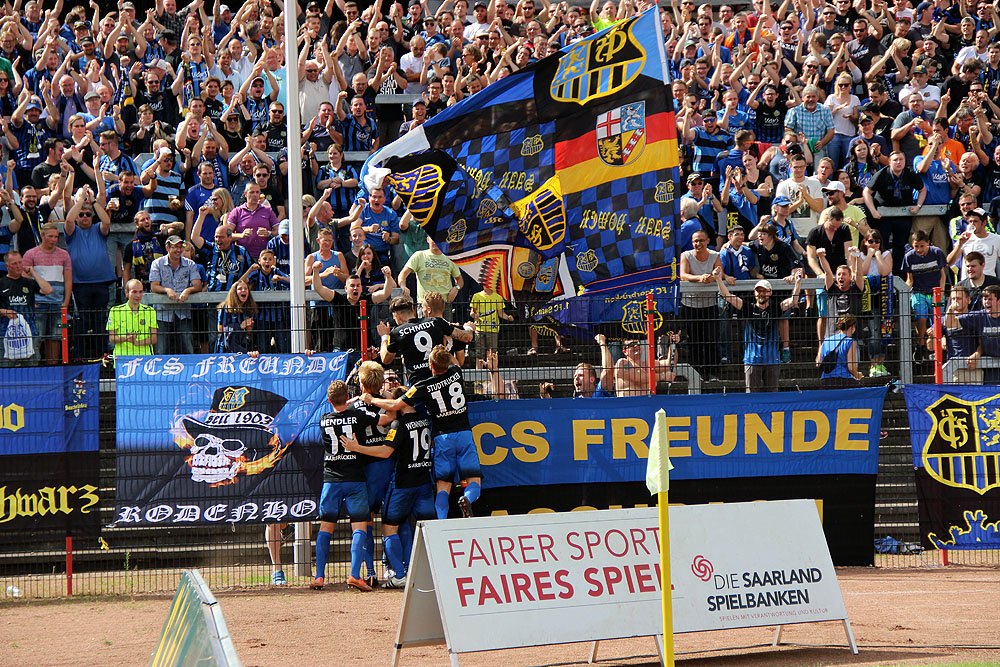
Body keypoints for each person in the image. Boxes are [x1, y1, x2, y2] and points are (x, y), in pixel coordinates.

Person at [362, 345, 482, 520]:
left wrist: (371, 399)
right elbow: (455, 361)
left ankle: (440, 524)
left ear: (430, 365)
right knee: (474, 482)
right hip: (464, 434)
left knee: (443, 487)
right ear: (447, 361)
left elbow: (395, 405)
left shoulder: (423, 386)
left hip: (442, 438)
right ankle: (467, 499)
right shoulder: (456, 372)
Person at [341, 384, 433, 589]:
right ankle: (420, 571)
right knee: (422, 526)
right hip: (424, 483)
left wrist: (357, 447)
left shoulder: (399, 424)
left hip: (402, 482)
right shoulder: (425, 420)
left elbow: (385, 452)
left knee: (389, 528)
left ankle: (398, 574)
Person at [311, 379, 380, 592]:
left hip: (331, 480)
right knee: (359, 527)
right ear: (348, 397)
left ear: (329, 400)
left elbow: (339, 413)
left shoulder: (323, 419)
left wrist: (344, 404)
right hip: (355, 478)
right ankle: (354, 575)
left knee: (326, 526)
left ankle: (319, 576)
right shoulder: (357, 416)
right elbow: (383, 419)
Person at [715, 272, 802, 392]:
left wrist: (798, 283)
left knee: (772, 396)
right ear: (754, 293)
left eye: (765, 291)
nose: (762, 294)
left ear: (770, 293)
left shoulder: (775, 308)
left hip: (772, 360)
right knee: (752, 397)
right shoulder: (748, 307)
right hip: (752, 360)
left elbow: (793, 301)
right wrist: (718, 279)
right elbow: (727, 296)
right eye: (759, 291)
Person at [379, 294, 474, 384]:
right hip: (441, 378)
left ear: (397, 316)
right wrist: (469, 328)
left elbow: (386, 359)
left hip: (419, 382)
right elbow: (466, 337)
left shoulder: (397, 332)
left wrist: (384, 336)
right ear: (414, 310)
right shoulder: (436, 322)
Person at [864, 150, 927, 276]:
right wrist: (873, 211)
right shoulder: (882, 174)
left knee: (900, 245)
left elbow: (922, 190)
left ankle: (899, 275)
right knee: (882, 245)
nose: (898, 162)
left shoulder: (910, 173)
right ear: (889, 162)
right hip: (884, 216)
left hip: (903, 215)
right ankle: (883, 273)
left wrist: (918, 206)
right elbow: (867, 192)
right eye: (895, 160)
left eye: (901, 159)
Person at [310, 266, 396, 352]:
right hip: (341, 349)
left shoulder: (366, 299)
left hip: (364, 348)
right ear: (346, 288)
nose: (355, 288)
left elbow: (386, 293)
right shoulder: (338, 299)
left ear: (361, 288)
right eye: (352, 285)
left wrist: (388, 277)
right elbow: (319, 288)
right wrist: (315, 271)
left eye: (358, 285)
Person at [21, 224, 71, 362]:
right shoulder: (30, 254)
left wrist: (65, 303)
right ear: (42, 236)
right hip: (38, 303)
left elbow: (68, 280)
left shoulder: (64, 255)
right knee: (36, 338)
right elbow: (25, 283)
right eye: (51, 236)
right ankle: (35, 367)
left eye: (56, 237)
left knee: (55, 339)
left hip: (58, 303)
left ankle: (52, 368)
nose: (54, 240)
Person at [678, 229, 722, 381]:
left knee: (712, 341)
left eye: (701, 240)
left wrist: (712, 278)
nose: (698, 244)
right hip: (690, 305)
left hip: (710, 305)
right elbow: (683, 275)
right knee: (694, 341)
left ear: (708, 241)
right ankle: (696, 374)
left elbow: (719, 273)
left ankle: (712, 373)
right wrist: (700, 278)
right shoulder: (686, 255)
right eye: (695, 241)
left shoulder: (715, 255)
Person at [149, 235, 203, 355]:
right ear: (167, 248)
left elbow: (198, 285)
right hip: (162, 313)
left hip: (183, 312)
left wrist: (188, 290)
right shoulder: (157, 263)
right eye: (175, 247)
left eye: (180, 247)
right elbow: (154, 286)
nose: (178, 250)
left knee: (188, 349)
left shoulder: (190, 264)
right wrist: (167, 290)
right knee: (161, 350)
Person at [0, 250, 52, 364]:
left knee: (31, 368)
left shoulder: (29, 283)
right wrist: (4, 311)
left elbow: (48, 290)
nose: (18, 266)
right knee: (7, 368)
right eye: (14, 264)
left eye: (20, 262)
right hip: (6, 334)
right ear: (7, 266)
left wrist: (33, 273)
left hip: (29, 333)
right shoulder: (1, 283)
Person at [903, 230, 947, 360]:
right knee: (921, 317)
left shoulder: (937, 253)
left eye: (922, 246)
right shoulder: (909, 257)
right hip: (918, 291)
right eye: (916, 246)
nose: (919, 249)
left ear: (928, 243)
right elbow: (909, 279)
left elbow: (942, 275)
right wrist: (904, 292)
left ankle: (937, 347)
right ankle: (920, 345)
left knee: (937, 320)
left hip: (935, 291)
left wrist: (941, 291)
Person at [945, 284, 1000, 384]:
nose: (986, 302)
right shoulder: (979, 316)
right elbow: (950, 324)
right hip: (990, 365)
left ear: (999, 301)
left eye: (990, 299)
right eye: (984, 299)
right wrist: (951, 309)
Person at [469, 274, 512, 366]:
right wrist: (474, 315)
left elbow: (500, 313)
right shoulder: (476, 296)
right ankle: (479, 374)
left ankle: (493, 371)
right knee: (479, 353)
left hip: (493, 329)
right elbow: (472, 312)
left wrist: (508, 317)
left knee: (492, 352)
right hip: (479, 328)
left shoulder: (498, 297)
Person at [107, 279, 157, 357]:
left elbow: (154, 338)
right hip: (122, 357)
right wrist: (127, 338)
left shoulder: (150, 311)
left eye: (140, 292)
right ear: (127, 293)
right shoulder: (115, 311)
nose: (138, 295)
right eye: (134, 292)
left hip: (144, 357)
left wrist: (137, 343)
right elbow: (112, 339)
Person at [947, 208, 1000, 279]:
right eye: (970, 221)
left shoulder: (996, 239)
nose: (972, 224)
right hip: (969, 282)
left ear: (984, 223)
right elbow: (949, 262)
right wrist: (959, 244)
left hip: (988, 282)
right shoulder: (965, 239)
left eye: (975, 221)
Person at [817, 314, 864, 387]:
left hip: (825, 380)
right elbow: (851, 367)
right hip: (844, 379)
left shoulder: (826, 341)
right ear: (853, 327)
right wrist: (858, 374)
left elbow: (819, 362)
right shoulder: (850, 342)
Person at [215, 279, 257, 354]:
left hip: (242, 345)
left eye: (246, 288)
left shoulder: (249, 307)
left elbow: (249, 332)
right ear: (234, 292)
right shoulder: (225, 308)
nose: (243, 290)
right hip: (226, 347)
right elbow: (220, 329)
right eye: (240, 289)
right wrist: (240, 326)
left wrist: (248, 326)